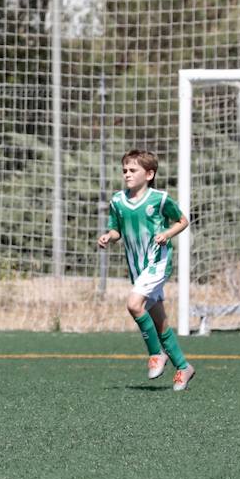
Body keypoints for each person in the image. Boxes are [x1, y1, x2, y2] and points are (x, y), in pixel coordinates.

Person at [97, 149, 195, 391]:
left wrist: (166, 233)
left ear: (149, 174)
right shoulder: (117, 201)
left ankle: (155, 354)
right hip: (138, 268)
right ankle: (183, 367)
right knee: (159, 322)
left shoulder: (159, 199)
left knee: (133, 304)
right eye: (124, 171)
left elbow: (183, 220)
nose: (127, 175)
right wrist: (109, 236)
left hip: (157, 262)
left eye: (133, 170)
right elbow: (116, 229)